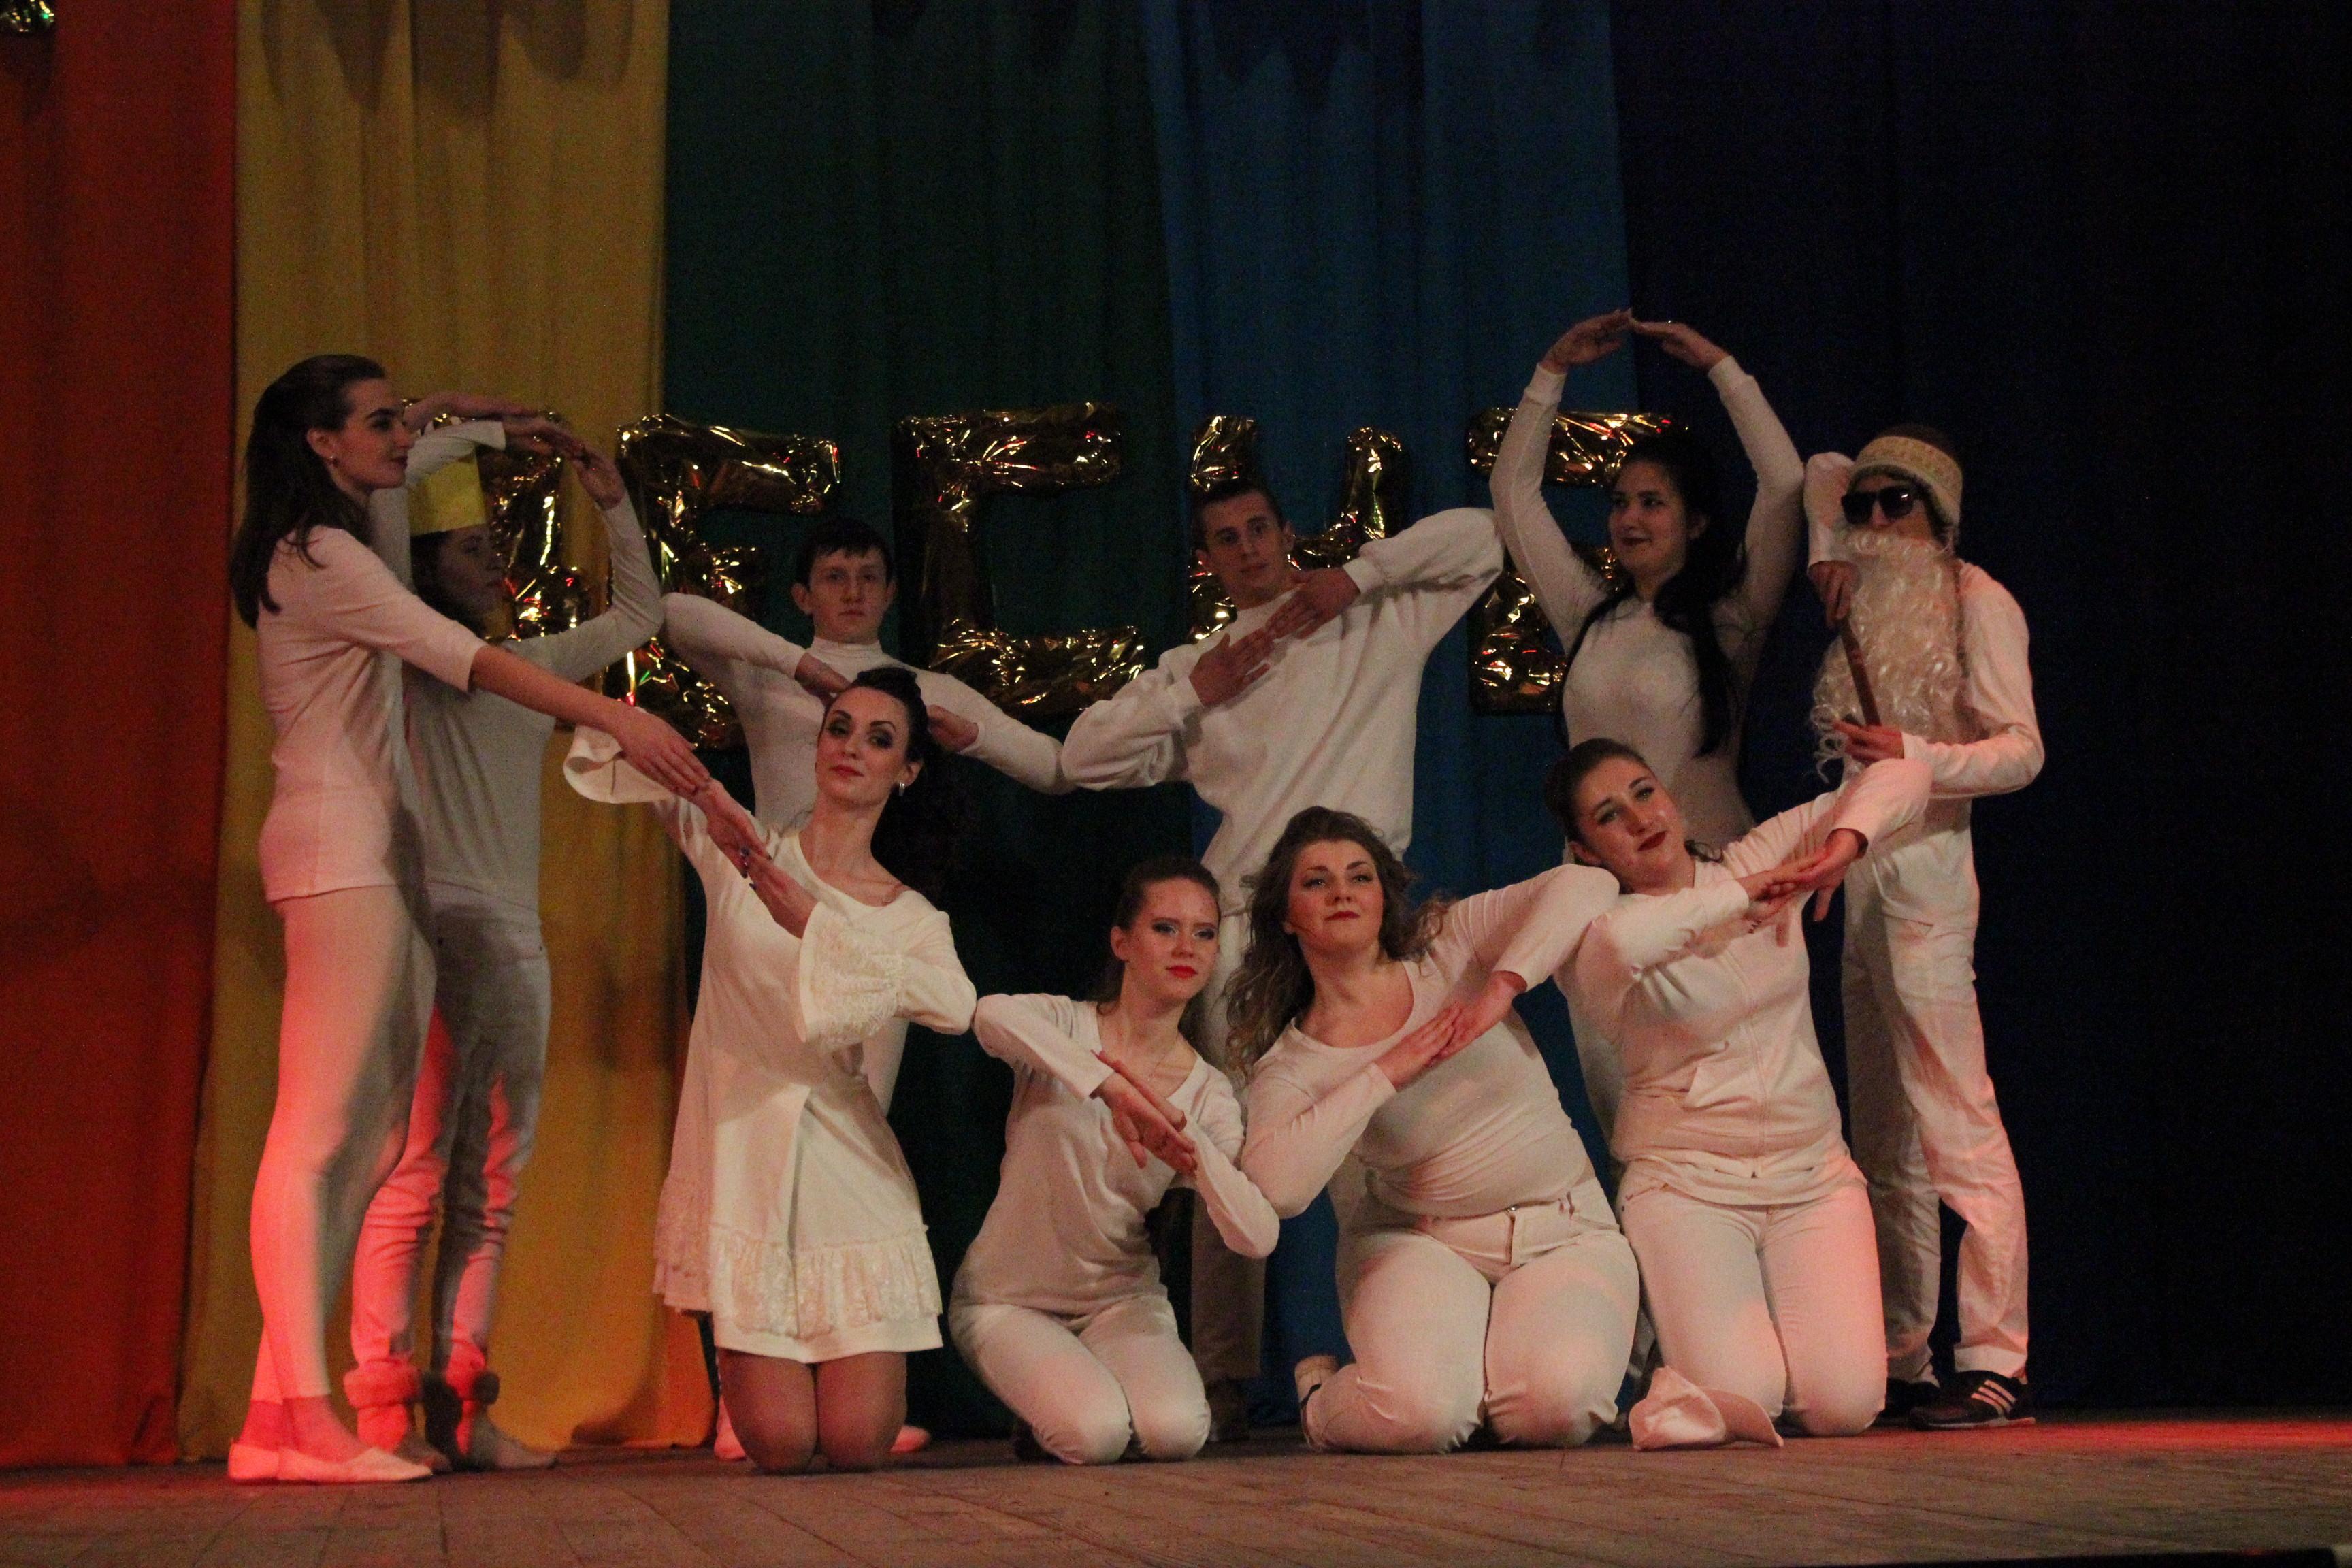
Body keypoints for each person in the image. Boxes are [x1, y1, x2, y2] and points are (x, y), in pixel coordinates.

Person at [227, 355, 706, 1485]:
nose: (400, 437)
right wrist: (613, 716)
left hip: (375, 852)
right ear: (320, 443)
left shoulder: (340, 541)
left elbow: (409, 501)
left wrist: (462, 419)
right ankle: (299, 1415)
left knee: (370, 1142)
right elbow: (463, 653)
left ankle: (278, 1408)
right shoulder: (318, 553)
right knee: (320, 1134)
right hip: (338, 848)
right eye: (379, 422)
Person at [1060, 478, 1505, 1433]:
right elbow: (1083, 759)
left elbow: (1482, 537)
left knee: (1384, 1130)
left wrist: (1361, 575)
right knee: (1229, 1145)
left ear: (1287, 532)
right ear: (1208, 562)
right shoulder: (1203, 668)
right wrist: (1194, 690)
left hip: (1360, 918)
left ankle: (1404, 1358)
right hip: (1250, 925)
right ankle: (1223, 1378)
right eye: (1226, 538)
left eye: (1259, 528)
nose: (1249, 548)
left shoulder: (1372, 621)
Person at [343, 427, 664, 1471]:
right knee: (416, 1166)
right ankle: (385, 1409)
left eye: (494, 546)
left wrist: (611, 500)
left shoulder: (525, 667)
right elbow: (381, 518)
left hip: (514, 937)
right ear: (423, 564)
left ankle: (462, 1407)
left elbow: (639, 616)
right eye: (471, 548)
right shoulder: (406, 657)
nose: (493, 562)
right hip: (435, 926)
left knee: (493, 1179)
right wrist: (467, 431)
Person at [565, 666, 977, 1473]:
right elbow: (599, 748)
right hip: (743, 1166)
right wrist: (704, 793)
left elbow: (955, 1005)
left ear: (907, 771)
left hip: (849, 1176)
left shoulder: (909, 913)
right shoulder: (744, 849)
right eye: (839, 729)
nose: (852, 748)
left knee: (857, 1444)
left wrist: (814, 922)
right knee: (781, 1447)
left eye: (879, 739)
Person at [1551, 739, 1931, 1439]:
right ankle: (1676, 1364)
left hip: (1811, 1174)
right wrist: (1741, 896)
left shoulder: (1755, 856)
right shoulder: (1592, 937)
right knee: (1745, 1396)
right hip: (1688, 1184)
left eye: (1643, 792)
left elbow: (1904, 777)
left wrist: (1842, 847)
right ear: (1586, 852)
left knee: (1844, 1408)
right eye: (1609, 816)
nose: (1639, 819)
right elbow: (1625, 946)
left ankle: (1690, 1349)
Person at [1228, 808, 1634, 1453]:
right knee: (1422, 1417)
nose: (1341, 893)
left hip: (1566, 1229)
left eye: (1360, 876)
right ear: (1285, 915)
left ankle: (1497, 1379)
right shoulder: (1294, 1063)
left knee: (1554, 1412)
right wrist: (1386, 1072)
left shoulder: (1449, 948)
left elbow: (1590, 884)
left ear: (1383, 894)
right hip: (1421, 1243)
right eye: (1316, 882)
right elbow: (1277, 1190)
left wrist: (1501, 989)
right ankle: (1321, 1401)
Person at [1491, 309, 1806, 1143]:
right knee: (1634, 1132)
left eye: (1653, 503)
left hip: (1714, 895)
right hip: (1603, 910)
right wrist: (1551, 371)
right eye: (1621, 503)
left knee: (1741, 1122)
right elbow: (1513, 495)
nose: (1630, 518)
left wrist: (1722, 368)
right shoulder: (1588, 615)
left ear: (1696, 522)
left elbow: (1784, 485)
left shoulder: (1732, 620)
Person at [662, 514, 1068, 1111]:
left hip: (870, 916)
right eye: (834, 577)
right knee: (748, 1100)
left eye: (869, 577)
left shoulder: (926, 692)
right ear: (802, 596)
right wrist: (802, 667)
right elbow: (673, 614)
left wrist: (975, 736)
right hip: (768, 900)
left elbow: (1054, 769)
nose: (853, 592)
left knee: (860, 1109)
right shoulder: (769, 679)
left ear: (891, 592)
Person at [1805, 427, 2043, 1429]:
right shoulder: (1864, 586)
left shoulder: (1978, 600)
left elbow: (2022, 751)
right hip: (1862, 872)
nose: (1872, 520)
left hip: (1932, 877)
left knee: (1955, 1116)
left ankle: (1996, 1356)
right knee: (1885, 1133)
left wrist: (1917, 754)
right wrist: (1827, 545)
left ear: (1939, 516)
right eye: (1863, 507)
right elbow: (1819, 471)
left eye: (1895, 504)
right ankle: (1905, 1353)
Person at [951, 857, 1279, 1464]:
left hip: (1121, 1303)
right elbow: (988, 1014)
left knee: (1176, 1432)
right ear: (1122, 942)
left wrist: (1193, 1153)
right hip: (1007, 1300)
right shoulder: (1064, 1025)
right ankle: (1058, 1402)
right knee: (1096, 1433)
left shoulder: (1209, 1092)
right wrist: (1110, 1087)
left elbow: (1255, 1236)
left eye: (1204, 933)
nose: (1186, 948)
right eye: (1165, 928)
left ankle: (1079, 1388)